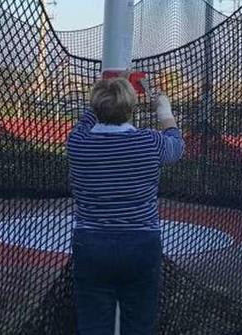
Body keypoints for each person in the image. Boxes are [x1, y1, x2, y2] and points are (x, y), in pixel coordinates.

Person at [66, 75, 184, 334]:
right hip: (140, 245)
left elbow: (86, 121)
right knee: (139, 325)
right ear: (130, 108)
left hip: (92, 245)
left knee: (94, 325)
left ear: (96, 107)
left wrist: (107, 88)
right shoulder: (149, 142)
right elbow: (177, 147)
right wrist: (164, 111)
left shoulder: (79, 143)